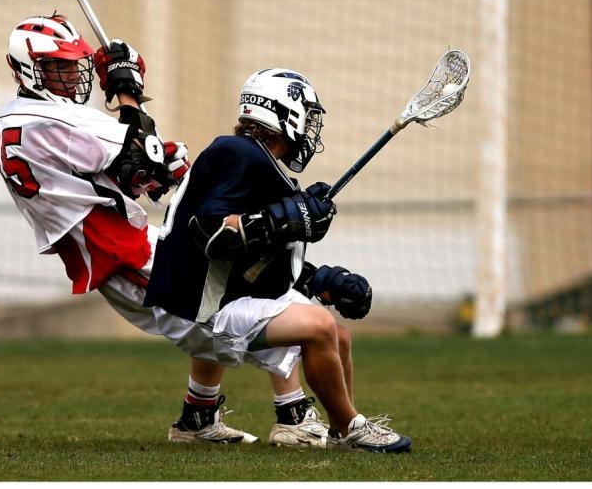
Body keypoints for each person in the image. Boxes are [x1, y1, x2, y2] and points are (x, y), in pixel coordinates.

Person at [0, 14, 324, 446]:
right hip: (117, 250)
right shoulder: (56, 122)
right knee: (236, 307)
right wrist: (128, 93)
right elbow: (141, 155)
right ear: (23, 67)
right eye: (59, 66)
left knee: (216, 284)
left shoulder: (24, 118)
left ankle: (198, 420)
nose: (73, 74)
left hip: (117, 239)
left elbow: (133, 173)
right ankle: (293, 415)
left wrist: (163, 164)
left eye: (75, 65)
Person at [144, 68, 412, 453]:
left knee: (337, 335)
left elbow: (259, 262)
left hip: (218, 296)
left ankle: (330, 428)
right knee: (318, 327)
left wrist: (320, 280)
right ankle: (348, 428)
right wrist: (285, 218)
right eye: (309, 116)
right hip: (196, 308)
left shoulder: (258, 165)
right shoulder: (237, 153)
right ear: (285, 114)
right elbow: (211, 234)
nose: (311, 129)